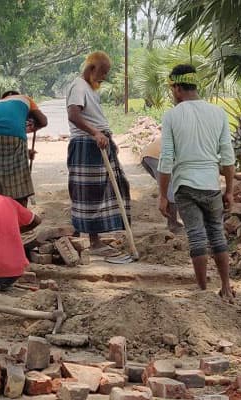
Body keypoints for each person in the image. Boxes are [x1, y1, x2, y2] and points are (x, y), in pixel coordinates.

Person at [157, 64, 236, 301]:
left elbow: (167, 157)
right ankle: (226, 287)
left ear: (178, 88)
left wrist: (163, 195)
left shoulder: (172, 116)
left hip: (185, 187)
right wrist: (229, 190)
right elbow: (228, 156)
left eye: (173, 89)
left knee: (196, 236)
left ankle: (202, 292)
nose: (173, 94)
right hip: (211, 185)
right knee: (217, 234)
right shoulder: (218, 113)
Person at [65, 51, 131, 255]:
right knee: (90, 193)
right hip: (88, 144)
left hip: (99, 142)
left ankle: (95, 237)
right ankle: (92, 241)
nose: (104, 77)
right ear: (92, 68)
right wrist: (95, 133)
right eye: (103, 72)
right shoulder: (78, 86)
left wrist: (106, 138)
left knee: (109, 189)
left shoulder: (90, 88)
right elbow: (73, 115)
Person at [0, 91, 48, 207]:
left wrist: (25, 152)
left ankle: (1, 207)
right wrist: (35, 127)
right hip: (14, 135)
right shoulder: (25, 99)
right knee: (19, 179)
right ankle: (21, 211)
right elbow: (43, 121)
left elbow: (3, 128)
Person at [141, 137, 184, 233]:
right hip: (156, 156)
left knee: (168, 186)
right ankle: (172, 223)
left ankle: (172, 222)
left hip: (148, 156)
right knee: (170, 187)